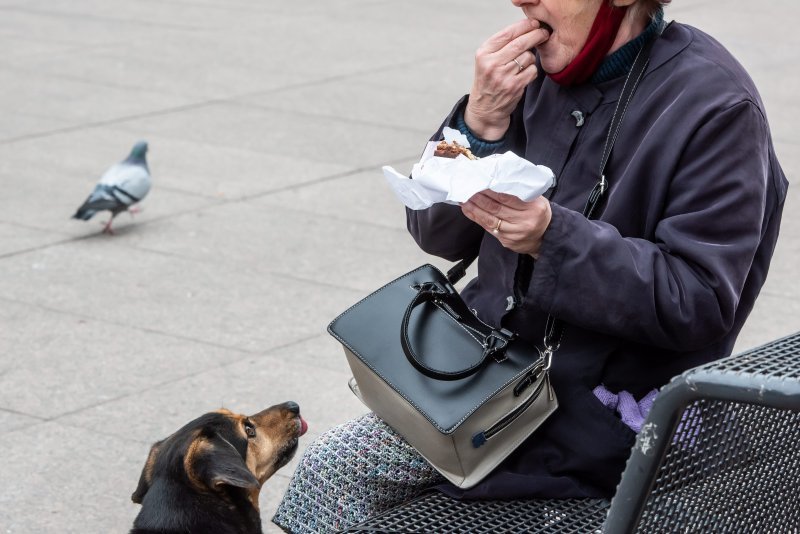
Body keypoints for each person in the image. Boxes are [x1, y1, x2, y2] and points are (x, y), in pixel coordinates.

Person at [273, 0, 788, 531]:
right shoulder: (530, 77)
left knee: (349, 484)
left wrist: (552, 237)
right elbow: (435, 234)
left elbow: (698, 299)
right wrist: (480, 122)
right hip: (479, 389)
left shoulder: (714, 103)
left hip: (601, 423)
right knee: (328, 473)